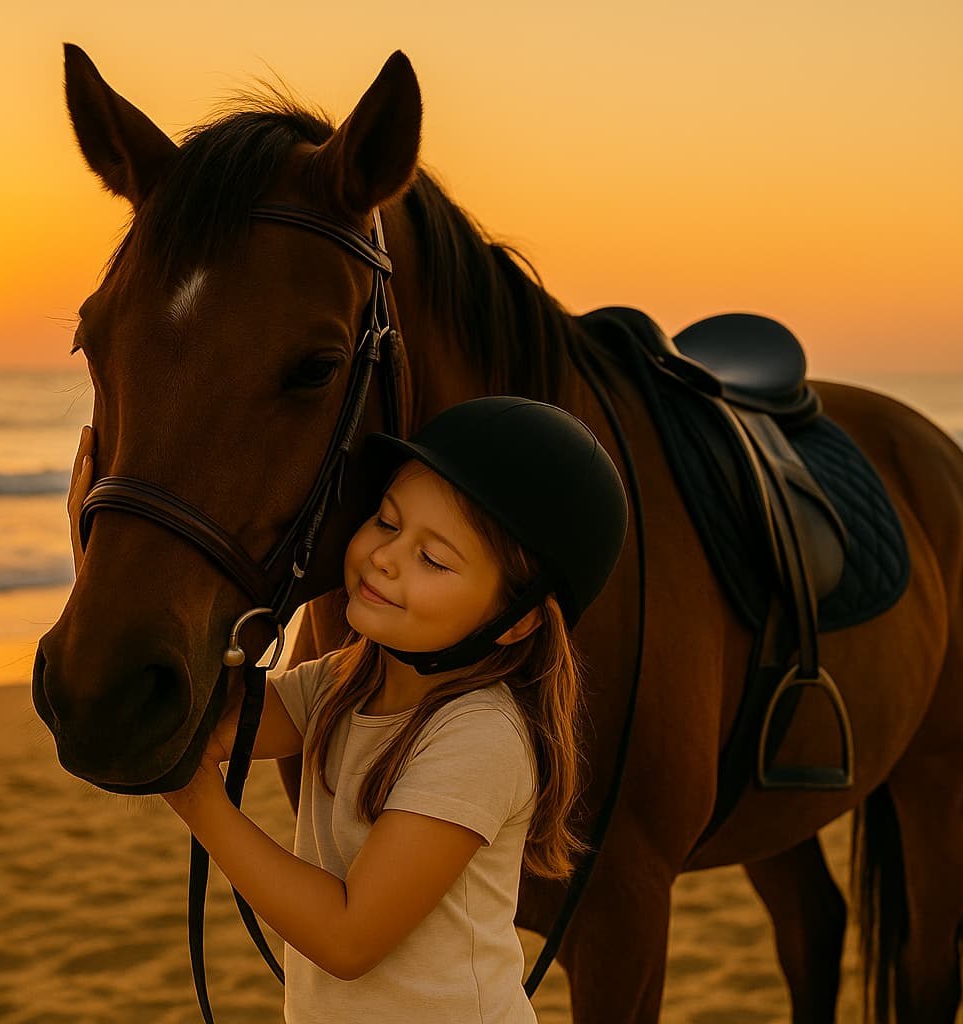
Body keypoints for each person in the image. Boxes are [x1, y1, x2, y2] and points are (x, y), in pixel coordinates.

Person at [68, 396, 628, 1023]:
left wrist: (198, 800)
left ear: (516, 620)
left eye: (434, 558)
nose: (386, 556)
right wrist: (101, 573)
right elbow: (198, 725)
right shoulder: (346, 681)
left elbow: (348, 936)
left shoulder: (480, 737)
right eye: (387, 522)